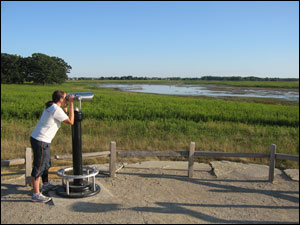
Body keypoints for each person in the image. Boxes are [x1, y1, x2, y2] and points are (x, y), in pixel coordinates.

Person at [30, 90, 75, 203]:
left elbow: (63, 114)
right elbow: (71, 121)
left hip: (40, 139)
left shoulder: (53, 107)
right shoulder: (55, 109)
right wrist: (72, 104)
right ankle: (36, 194)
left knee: (46, 163)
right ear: (60, 99)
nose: (66, 100)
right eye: (65, 98)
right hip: (41, 140)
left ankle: (45, 184)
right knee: (39, 166)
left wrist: (67, 104)